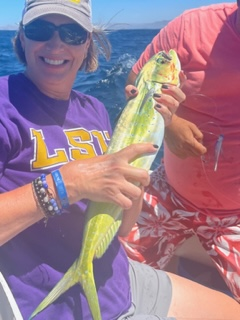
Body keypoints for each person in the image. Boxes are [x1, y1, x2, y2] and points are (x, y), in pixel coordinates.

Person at [0, 1, 239, 319]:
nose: (56, 43)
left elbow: (126, 224)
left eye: (71, 33)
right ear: (21, 38)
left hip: (119, 277)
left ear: (88, 44)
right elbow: (72, 184)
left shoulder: (95, 111)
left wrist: (151, 138)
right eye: (40, 30)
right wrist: (67, 183)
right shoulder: (6, 106)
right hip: (57, 303)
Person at [121, 0, 240, 304]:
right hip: (170, 195)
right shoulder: (190, 28)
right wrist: (170, 124)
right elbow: (137, 81)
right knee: (109, 271)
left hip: (235, 217)